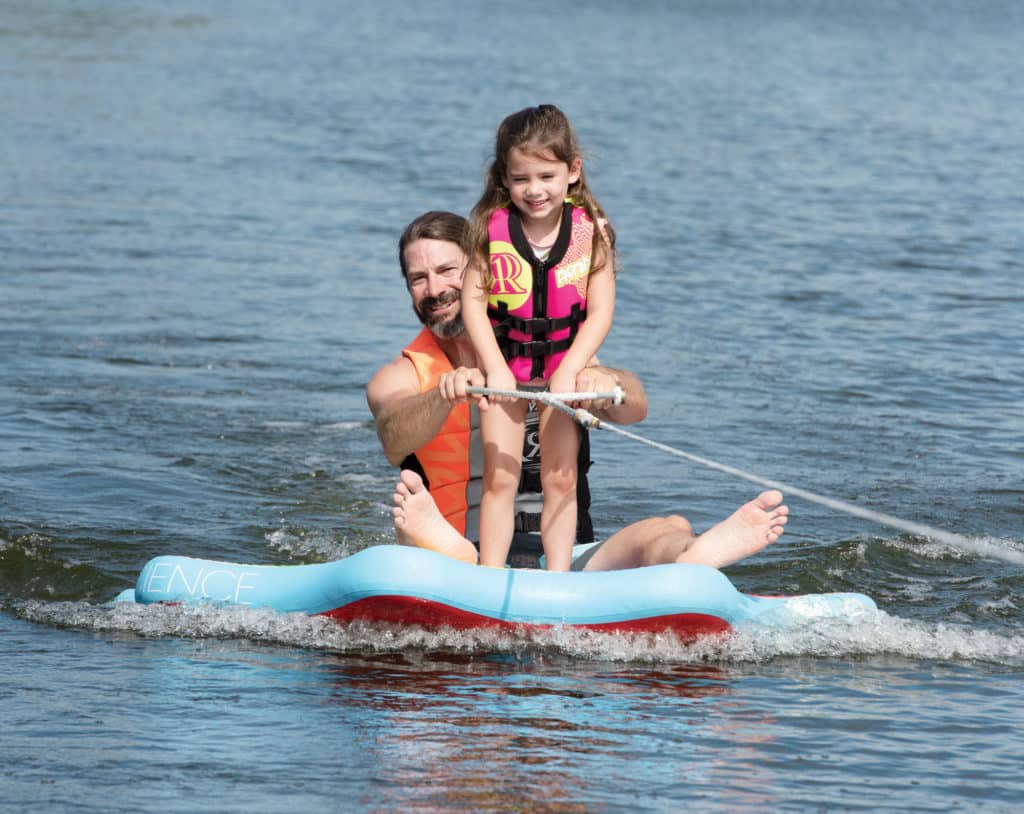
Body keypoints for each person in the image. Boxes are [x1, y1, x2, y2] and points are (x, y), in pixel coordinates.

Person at [365, 210, 789, 572]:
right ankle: (452, 549)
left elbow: (636, 406)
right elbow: (393, 435)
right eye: (418, 278)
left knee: (669, 526)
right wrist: (443, 395)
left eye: (446, 271)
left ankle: (689, 560)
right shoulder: (400, 376)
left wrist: (606, 386)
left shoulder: (546, 355)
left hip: (563, 559)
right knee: (415, 533)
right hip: (457, 557)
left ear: (482, 271)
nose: (434, 290)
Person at [461, 104, 616, 571]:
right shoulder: (490, 232)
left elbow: (601, 309)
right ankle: (488, 575)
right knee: (501, 479)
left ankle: (558, 578)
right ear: (504, 179)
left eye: (546, 176)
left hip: (561, 371)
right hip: (506, 367)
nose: (534, 190)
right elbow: (473, 302)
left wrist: (572, 368)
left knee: (561, 478)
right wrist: (495, 367)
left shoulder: (592, 234)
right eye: (521, 178)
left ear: (572, 172)